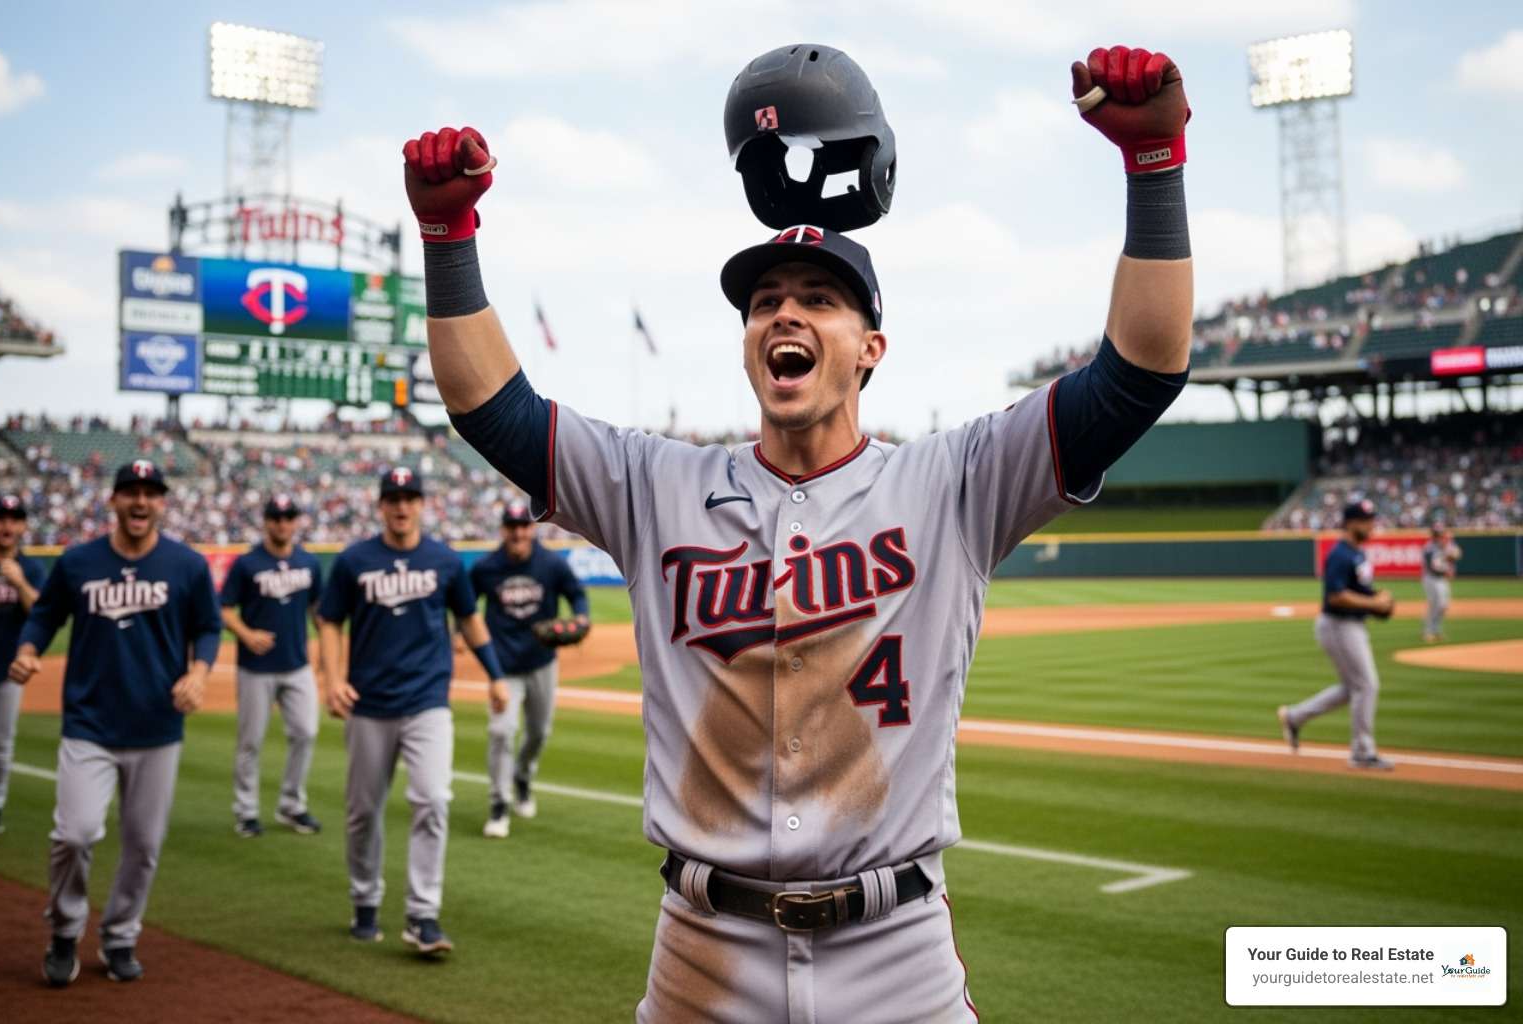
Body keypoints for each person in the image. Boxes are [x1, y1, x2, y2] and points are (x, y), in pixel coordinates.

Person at [404, 43, 1192, 1022]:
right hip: (702, 951)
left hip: (896, 953)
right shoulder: (655, 485)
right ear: (747, 344)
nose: (786, 313)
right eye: (765, 302)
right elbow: (493, 408)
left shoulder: (955, 480)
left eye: (819, 298)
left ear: (871, 348)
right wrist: (449, 232)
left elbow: (1140, 374)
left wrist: (1154, 163)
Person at [10, 460, 222, 986]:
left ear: (162, 502)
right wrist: (29, 648)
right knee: (74, 834)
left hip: (157, 727)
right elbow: (44, 614)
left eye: (150, 493)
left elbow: (209, 627)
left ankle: (121, 935)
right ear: (113, 500)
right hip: (90, 724)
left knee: (144, 845)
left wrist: (198, 672)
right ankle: (65, 928)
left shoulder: (186, 564)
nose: (140, 502)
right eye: (131, 492)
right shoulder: (79, 561)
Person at [316, 467, 508, 956]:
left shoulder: (444, 559)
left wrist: (495, 674)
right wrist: (333, 679)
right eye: (393, 498)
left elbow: (469, 620)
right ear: (381, 505)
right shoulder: (354, 560)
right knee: (363, 812)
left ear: (423, 504)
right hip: (369, 704)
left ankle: (423, 914)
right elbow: (330, 621)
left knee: (432, 800)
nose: (401, 506)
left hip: (427, 703)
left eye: (410, 497)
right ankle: (364, 900)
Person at [469, 497, 590, 838]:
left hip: (542, 662)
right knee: (501, 731)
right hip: (503, 666)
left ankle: (522, 776)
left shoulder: (551, 564)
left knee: (539, 732)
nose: (518, 532)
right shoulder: (486, 567)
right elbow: (466, 603)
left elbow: (576, 594)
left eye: (524, 525)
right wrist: (457, 632)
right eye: (512, 526)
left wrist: (580, 616)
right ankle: (498, 803)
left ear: (531, 528)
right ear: (503, 529)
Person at [219, 493, 324, 838]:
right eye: (276, 517)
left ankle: (292, 805)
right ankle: (246, 811)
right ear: (266, 521)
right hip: (256, 667)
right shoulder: (248, 564)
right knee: (250, 741)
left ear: (296, 522)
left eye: (288, 517)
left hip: (297, 664)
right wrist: (246, 635)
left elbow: (317, 609)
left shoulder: (309, 563)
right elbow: (224, 608)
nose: (282, 523)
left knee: (306, 732)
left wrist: (326, 643)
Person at [1277, 499, 1396, 770]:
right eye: (1367, 521)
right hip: (1337, 625)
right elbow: (1336, 596)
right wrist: (1373, 603)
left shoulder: (1358, 554)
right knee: (1366, 685)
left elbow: (1359, 592)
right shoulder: (1340, 554)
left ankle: (1294, 718)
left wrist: (1378, 598)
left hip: (1351, 625)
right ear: (1353, 523)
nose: (1371, 525)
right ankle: (1361, 753)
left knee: (1352, 688)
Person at [0, 494, 46, 834]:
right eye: (1, 519)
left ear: (23, 526)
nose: (7, 525)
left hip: (9, 669)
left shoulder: (33, 568)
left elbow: (42, 614)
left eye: (14, 520)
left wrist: (20, 582)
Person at [1420, 521, 1461, 643]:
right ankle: (1428, 631)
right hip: (1431, 579)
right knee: (1434, 604)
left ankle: (1437, 630)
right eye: (1437, 533)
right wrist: (1445, 572)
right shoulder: (1429, 548)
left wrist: (1452, 556)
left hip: (1441, 579)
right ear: (1433, 534)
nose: (1440, 536)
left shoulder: (1444, 546)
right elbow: (1432, 566)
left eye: (1441, 533)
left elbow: (1454, 556)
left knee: (1443, 605)